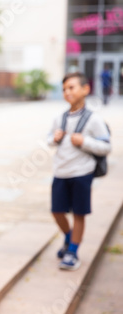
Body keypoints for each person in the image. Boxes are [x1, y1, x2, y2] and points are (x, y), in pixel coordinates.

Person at [47, 72, 111, 270]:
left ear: (85, 89)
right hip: (61, 172)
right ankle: (69, 237)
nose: (67, 92)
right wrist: (54, 138)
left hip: (82, 174)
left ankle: (73, 252)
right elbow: (49, 139)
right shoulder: (60, 117)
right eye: (64, 89)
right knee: (57, 212)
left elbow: (106, 146)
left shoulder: (94, 119)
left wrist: (84, 141)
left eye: (72, 87)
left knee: (79, 214)